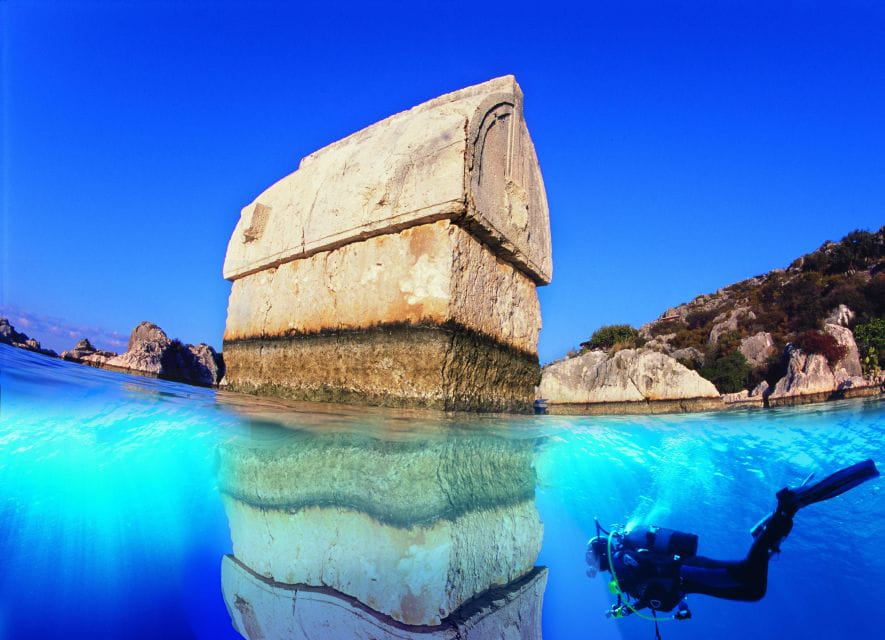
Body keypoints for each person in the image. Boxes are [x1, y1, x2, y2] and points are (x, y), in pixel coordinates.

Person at [586, 459, 879, 633]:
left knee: (747, 578)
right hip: (689, 573)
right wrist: (634, 606)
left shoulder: (623, 563)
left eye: (591, 559)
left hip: (688, 572)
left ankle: (785, 510)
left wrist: (633, 602)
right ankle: (776, 525)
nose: (592, 565)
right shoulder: (624, 564)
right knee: (750, 584)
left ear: (602, 554)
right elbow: (659, 587)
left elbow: (654, 578)